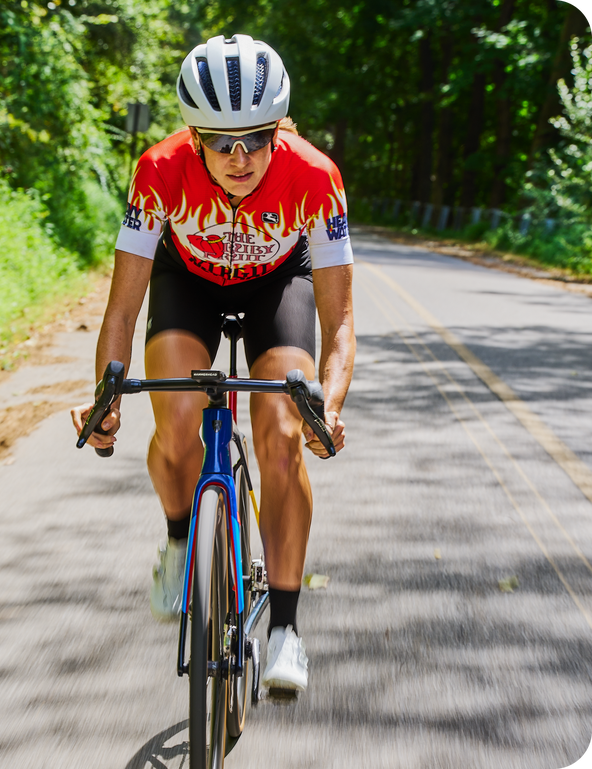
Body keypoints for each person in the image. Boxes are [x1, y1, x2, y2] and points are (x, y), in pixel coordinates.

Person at [71, 33, 355, 692]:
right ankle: (180, 542)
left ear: (279, 129)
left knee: (283, 433)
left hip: (277, 282)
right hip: (187, 281)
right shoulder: (158, 170)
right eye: (221, 140)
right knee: (175, 420)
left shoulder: (316, 176)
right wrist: (105, 397)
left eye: (258, 137)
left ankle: (284, 629)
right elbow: (120, 311)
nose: (241, 156)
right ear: (192, 135)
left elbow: (340, 323)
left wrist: (328, 406)